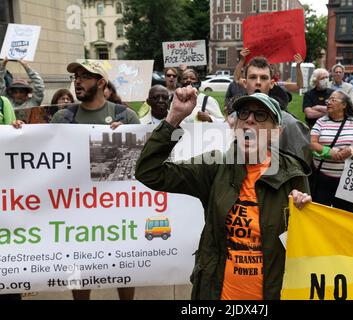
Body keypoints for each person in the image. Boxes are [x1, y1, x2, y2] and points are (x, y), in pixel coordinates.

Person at [135, 88, 312, 300]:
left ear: (276, 132)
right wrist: (174, 117)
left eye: (261, 115)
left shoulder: (292, 175)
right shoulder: (216, 167)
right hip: (218, 293)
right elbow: (150, 172)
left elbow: (306, 246)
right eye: (244, 114)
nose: (250, 120)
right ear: (235, 126)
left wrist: (304, 213)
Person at [51, 60, 139, 300]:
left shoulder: (125, 116)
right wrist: (17, 133)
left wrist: (127, 136)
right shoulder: (62, 118)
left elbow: (140, 166)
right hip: (77, 210)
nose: (78, 81)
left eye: (85, 76)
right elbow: (45, 158)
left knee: (123, 266)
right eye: (76, 76)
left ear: (101, 83)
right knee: (79, 268)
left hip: (117, 210)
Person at [309, 90, 353, 213]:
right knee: (320, 215)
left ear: (344, 105)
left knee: (346, 216)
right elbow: (312, 143)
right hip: (322, 178)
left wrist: (350, 150)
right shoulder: (321, 122)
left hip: (346, 181)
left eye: (333, 100)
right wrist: (328, 151)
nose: (329, 102)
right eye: (328, 100)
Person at [234, 48, 304, 93]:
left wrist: (298, 66)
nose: (258, 82)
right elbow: (237, 79)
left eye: (264, 78)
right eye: (253, 77)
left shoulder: (278, 85)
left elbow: (299, 85)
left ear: (271, 83)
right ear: (245, 83)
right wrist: (242, 60)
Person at [0, 58, 45, 123]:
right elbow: (0, 84)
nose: (18, 95)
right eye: (15, 92)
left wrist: (26, 67)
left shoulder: (33, 102)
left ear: (27, 93)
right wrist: (2, 67)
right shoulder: (8, 102)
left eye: (21, 92)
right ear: (12, 94)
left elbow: (39, 85)